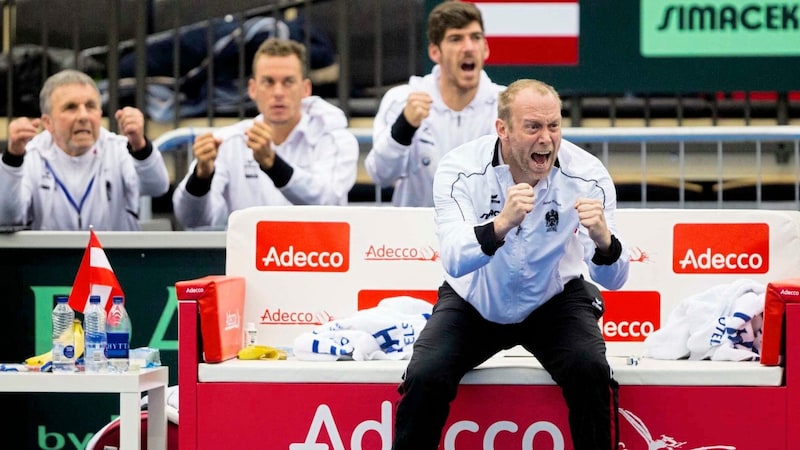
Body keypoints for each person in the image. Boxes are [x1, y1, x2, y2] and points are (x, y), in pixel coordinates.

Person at [392, 79, 631, 450]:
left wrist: (603, 240)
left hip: (554, 301)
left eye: (553, 126)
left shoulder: (587, 174)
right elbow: (454, 259)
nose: (547, 139)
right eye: (533, 127)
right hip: (474, 302)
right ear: (502, 129)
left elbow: (614, 279)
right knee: (425, 375)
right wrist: (501, 224)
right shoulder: (460, 168)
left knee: (592, 370)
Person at [172, 37, 359, 229]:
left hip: (315, 256)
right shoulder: (228, 142)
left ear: (306, 89)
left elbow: (328, 204)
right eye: (268, 82)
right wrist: (201, 178)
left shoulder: (336, 139)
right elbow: (193, 219)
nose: (278, 92)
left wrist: (273, 165)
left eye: (288, 82)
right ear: (252, 89)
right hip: (247, 257)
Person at [365, 1, 504, 207]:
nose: (468, 48)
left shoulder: (507, 104)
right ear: (434, 52)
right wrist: (404, 127)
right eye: (456, 39)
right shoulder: (402, 100)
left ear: (485, 49)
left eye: (475, 38)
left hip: (488, 234)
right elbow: (379, 174)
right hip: (415, 235)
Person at [0, 69, 170, 231]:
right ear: (48, 122)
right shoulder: (31, 156)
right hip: (51, 260)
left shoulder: (119, 149)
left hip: (114, 259)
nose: (83, 116)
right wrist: (13, 157)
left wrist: (140, 145)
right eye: (71, 107)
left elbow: (157, 186)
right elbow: (6, 217)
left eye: (90, 106)